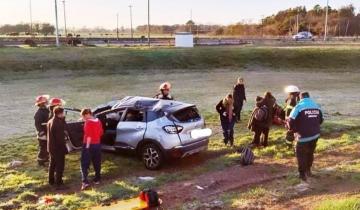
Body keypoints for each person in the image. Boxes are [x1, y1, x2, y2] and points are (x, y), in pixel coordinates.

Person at [287, 92, 323, 181]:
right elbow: (321, 120)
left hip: (302, 136)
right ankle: (308, 170)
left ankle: (302, 174)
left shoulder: (298, 107)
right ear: (309, 97)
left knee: (301, 155)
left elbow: (290, 121)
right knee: (310, 153)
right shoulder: (316, 106)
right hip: (315, 135)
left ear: (300, 98)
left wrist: (293, 130)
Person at [80, 108, 104, 191]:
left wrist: (87, 147)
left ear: (87, 114)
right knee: (97, 161)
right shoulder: (98, 121)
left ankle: (85, 182)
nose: (83, 118)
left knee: (84, 163)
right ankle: (97, 178)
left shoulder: (88, 122)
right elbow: (101, 132)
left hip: (89, 144)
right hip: (97, 144)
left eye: (83, 116)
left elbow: (88, 135)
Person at [47, 107, 68, 189]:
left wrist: (63, 119)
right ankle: (59, 183)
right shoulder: (58, 123)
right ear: (60, 113)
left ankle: (51, 181)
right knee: (60, 166)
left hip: (51, 147)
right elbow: (60, 138)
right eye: (63, 113)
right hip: (58, 148)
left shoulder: (50, 121)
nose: (64, 114)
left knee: (52, 164)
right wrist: (65, 148)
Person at [34, 95, 50, 166]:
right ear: (42, 103)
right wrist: (41, 132)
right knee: (43, 147)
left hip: (46, 131)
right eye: (45, 101)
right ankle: (40, 161)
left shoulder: (46, 110)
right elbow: (37, 124)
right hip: (42, 133)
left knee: (47, 146)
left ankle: (46, 158)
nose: (47, 102)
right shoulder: (39, 114)